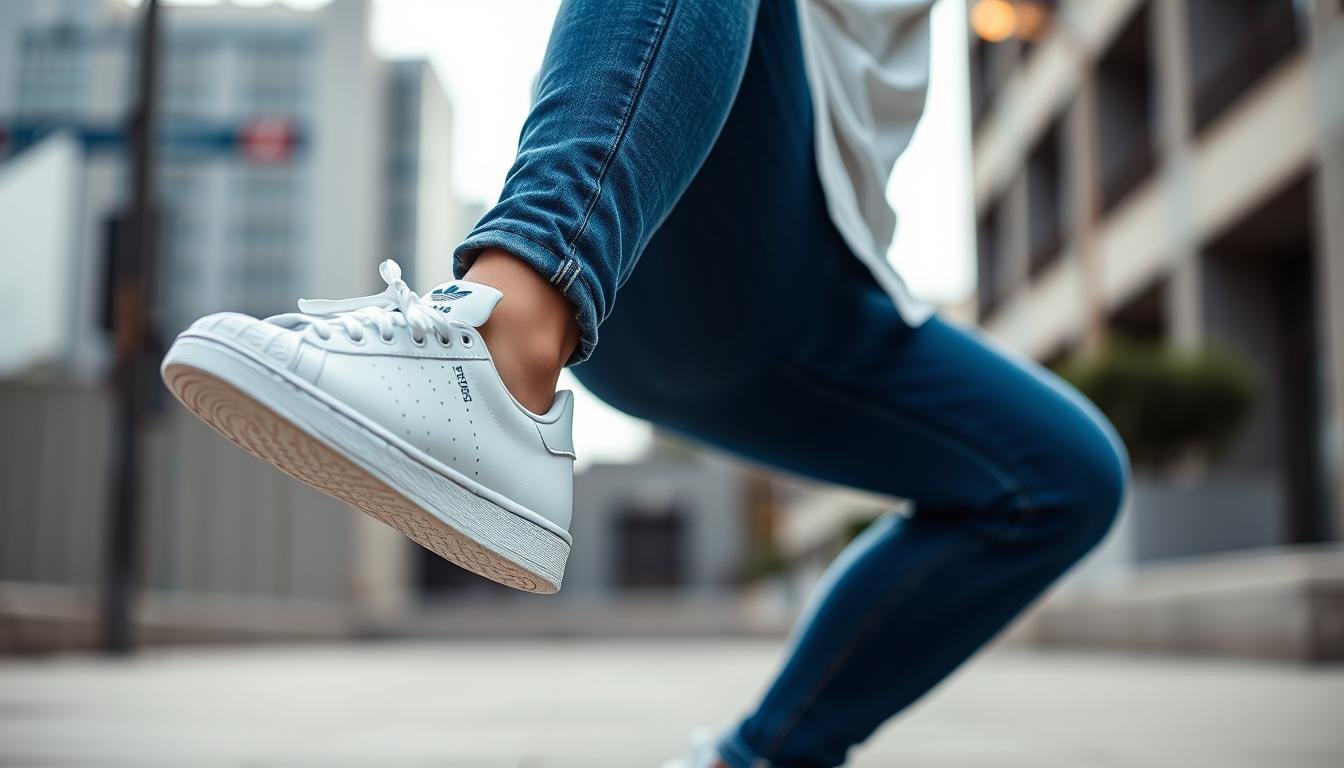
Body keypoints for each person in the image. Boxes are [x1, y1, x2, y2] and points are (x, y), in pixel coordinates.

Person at [161, 0, 1129, 765]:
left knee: (1068, 477)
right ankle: (506, 332)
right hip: (646, 243)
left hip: (805, 291)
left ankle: (766, 757)